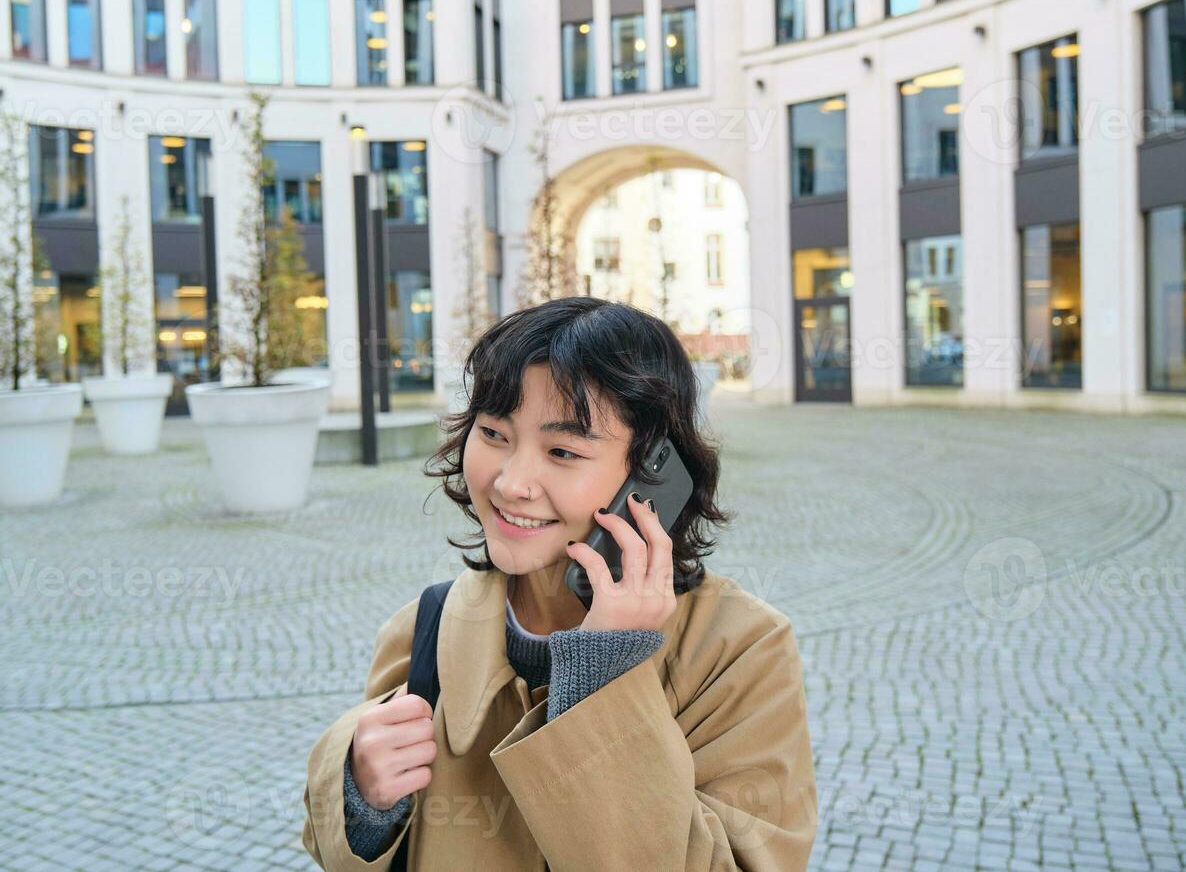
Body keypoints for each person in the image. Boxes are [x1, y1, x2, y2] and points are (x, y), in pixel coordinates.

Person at [301, 296, 818, 870]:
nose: (512, 482)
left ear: (653, 474)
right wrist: (364, 800)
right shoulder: (424, 627)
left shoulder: (740, 649)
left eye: (563, 450)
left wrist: (602, 675)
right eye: (494, 433)